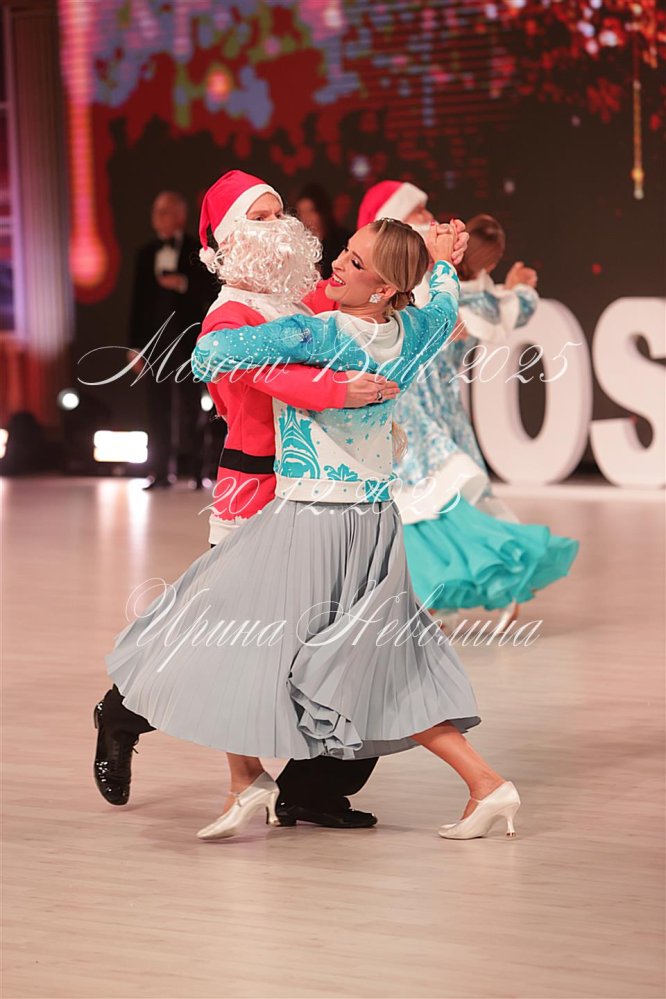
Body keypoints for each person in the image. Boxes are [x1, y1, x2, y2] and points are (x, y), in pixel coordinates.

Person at [106, 217, 521, 843]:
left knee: (230, 634)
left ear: (383, 287)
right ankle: (484, 785)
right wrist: (440, 263)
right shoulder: (416, 330)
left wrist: (312, 376)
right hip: (375, 525)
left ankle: (248, 782)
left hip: (313, 521)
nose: (337, 266)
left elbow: (209, 355)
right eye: (345, 253)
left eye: (354, 263)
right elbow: (442, 301)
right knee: (370, 665)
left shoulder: (316, 332)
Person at [94, 170, 400, 829]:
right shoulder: (229, 315)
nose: (279, 225)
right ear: (229, 237)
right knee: (232, 641)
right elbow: (260, 371)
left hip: (319, 490)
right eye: (260, 217)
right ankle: (129, 715)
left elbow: (360, 303)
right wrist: (336, 390)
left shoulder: (297, 300)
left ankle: (311, 788)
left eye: (279, 211)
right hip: (255, 486)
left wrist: (417, 262)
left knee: (330, 637)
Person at [393, 213, 579, 626]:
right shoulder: (476, 299)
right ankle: (448, 594)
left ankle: (456, 591)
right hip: (434, 411)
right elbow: (517, 308)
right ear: (489, 263)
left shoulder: (438, 292)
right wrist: (518, 289)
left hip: (416, 411)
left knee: (431, 505)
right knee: (439, 505)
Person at [127, 191, 215, 489]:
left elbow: (209, 292)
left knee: (192, 406)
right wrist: (135, 346)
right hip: (156, 344)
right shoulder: (145, 253)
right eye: (156, 212)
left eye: (165, 212)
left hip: (187, 341)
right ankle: (160, 470)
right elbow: (138, 304)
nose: (158, 218)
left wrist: (183, 283)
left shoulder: (195, 250)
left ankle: (197, 470)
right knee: (157, 408)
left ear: (180, 215)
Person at [295, 182, 352, 278]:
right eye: (301, 212)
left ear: (322, 212)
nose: (306, 218)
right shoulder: (297, 246)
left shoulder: (343, 241)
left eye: (311, 211)